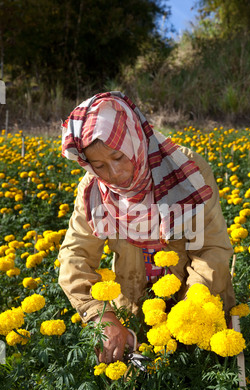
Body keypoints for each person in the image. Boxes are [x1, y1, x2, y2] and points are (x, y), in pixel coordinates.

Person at [58, 91, 235, 364]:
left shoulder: (186, 169)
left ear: (134, 140)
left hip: (197, 304)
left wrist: (193, 303)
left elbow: (213, 246)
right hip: (135, 313)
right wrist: (100, 315)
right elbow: (75, 256)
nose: (114, 173)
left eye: (118, 157)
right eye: (100, 165)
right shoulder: (93, 189)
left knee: (203, 388)